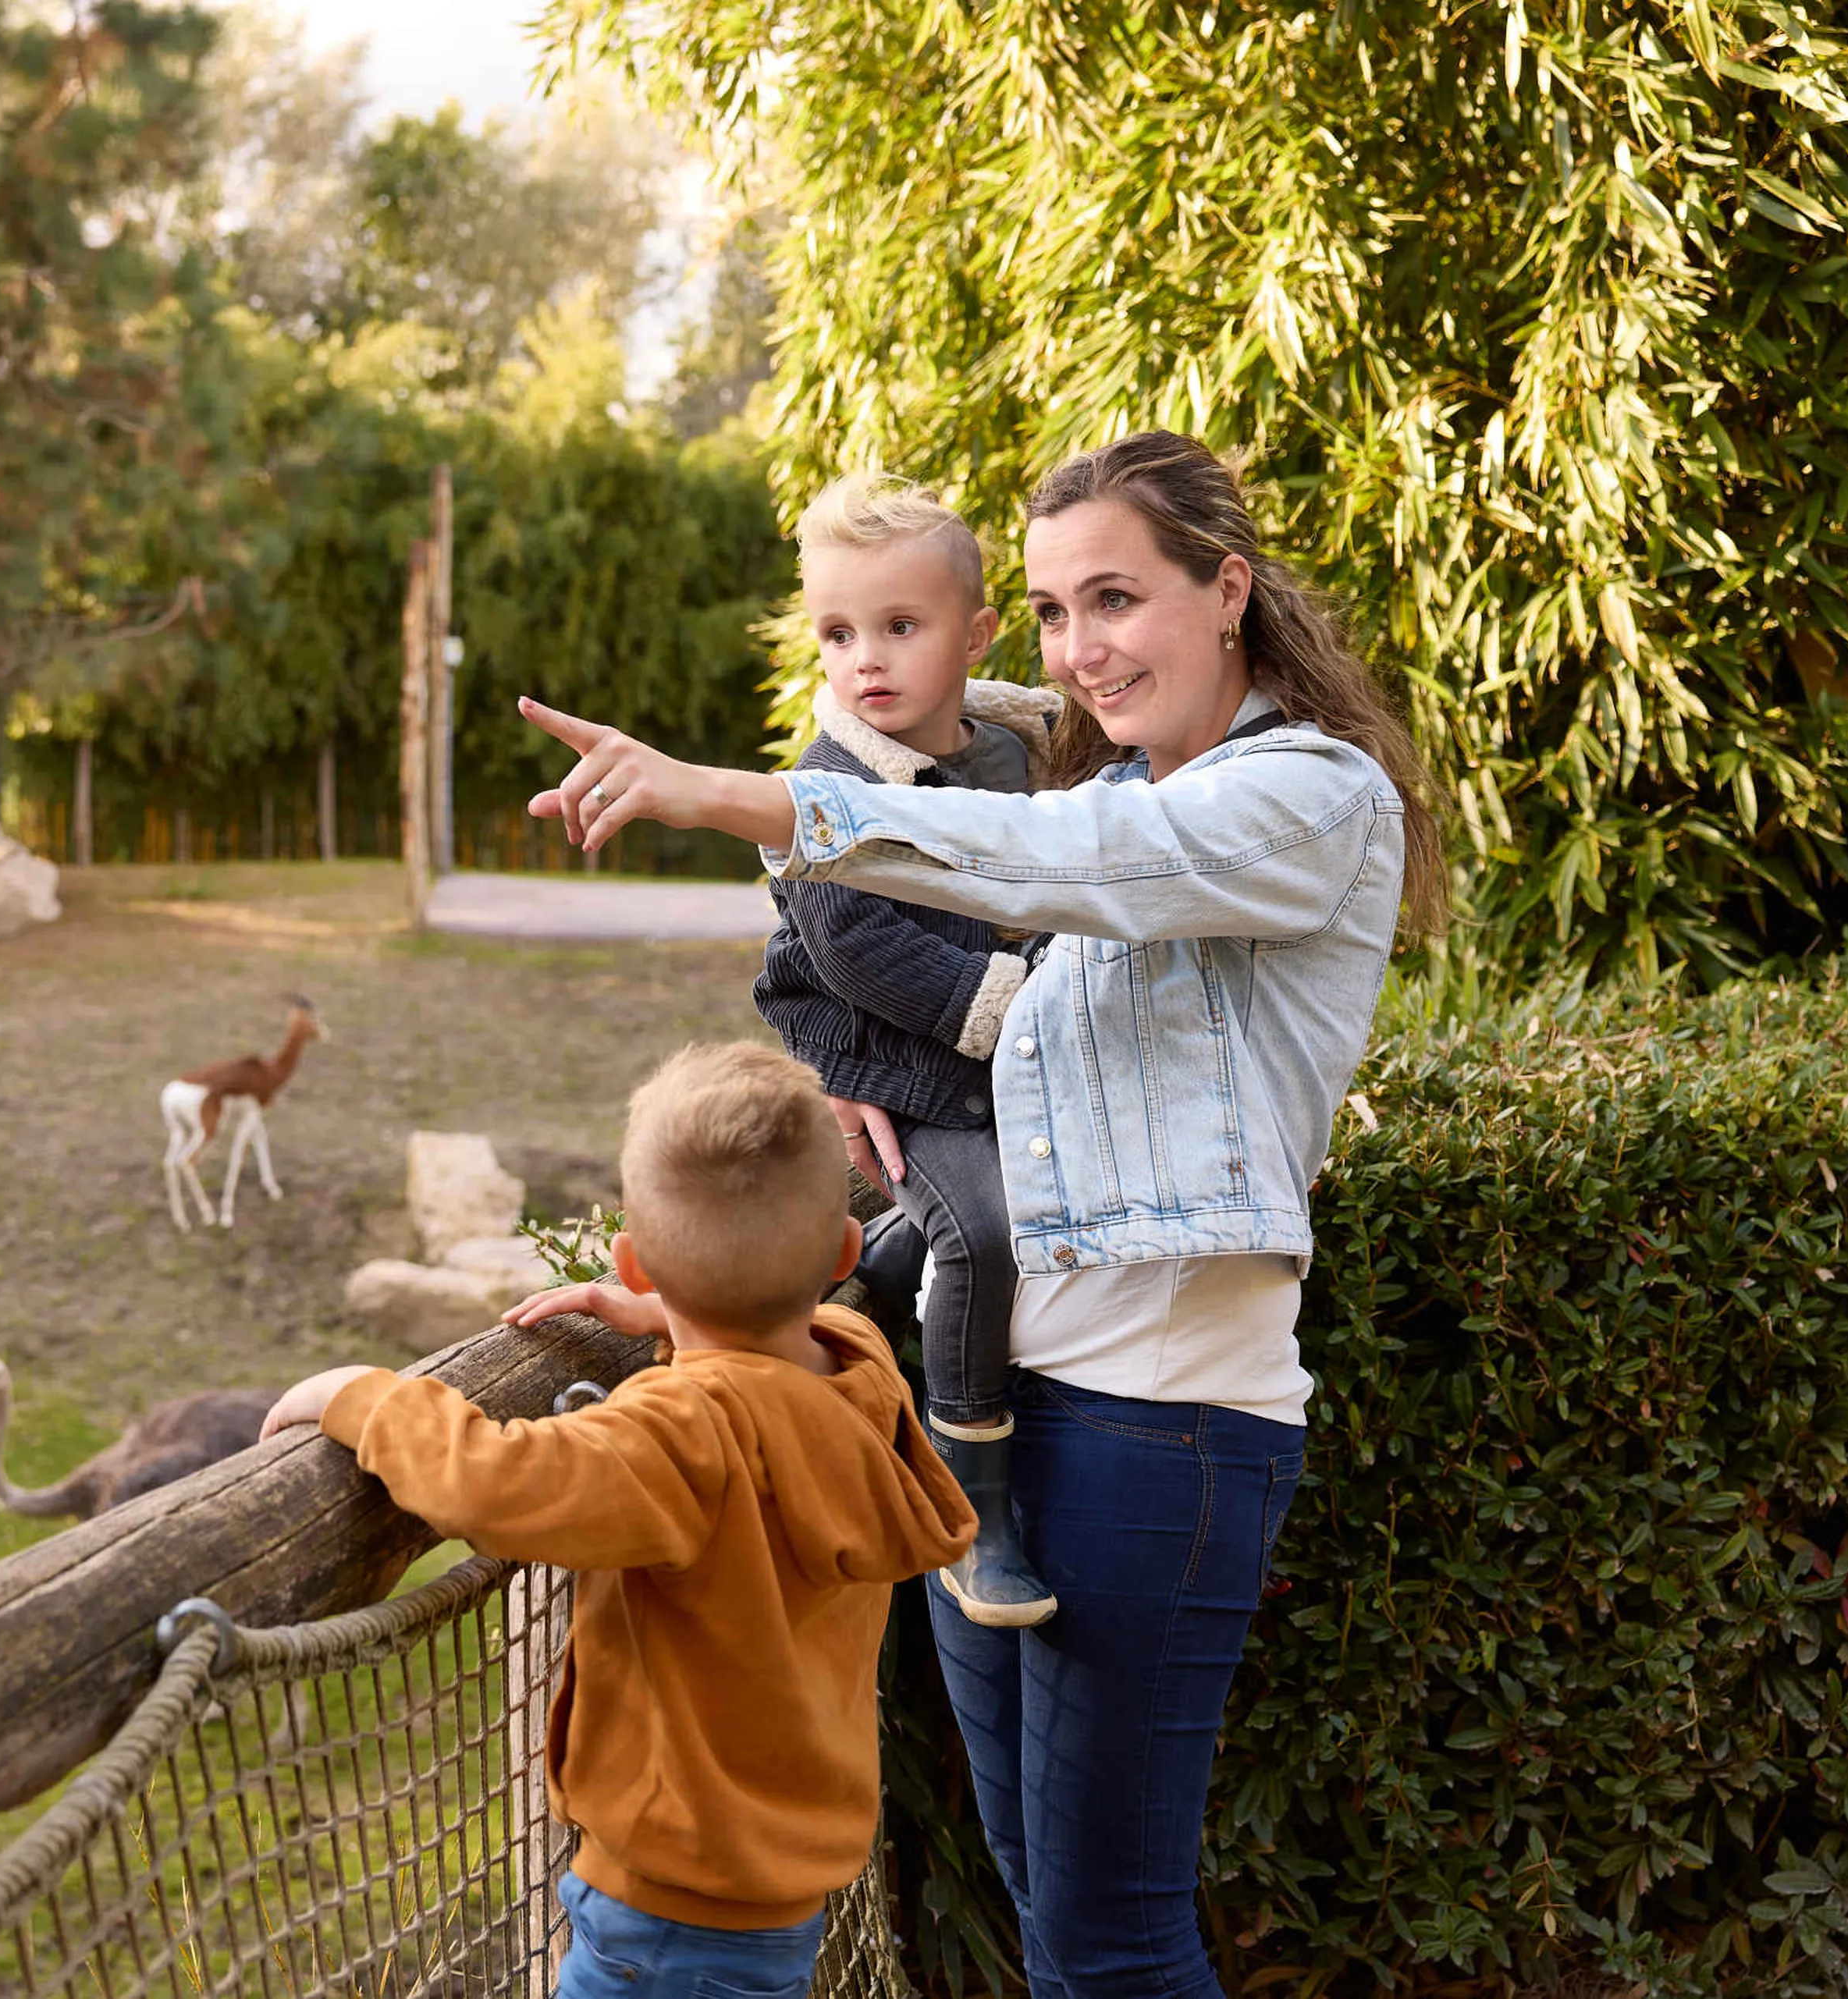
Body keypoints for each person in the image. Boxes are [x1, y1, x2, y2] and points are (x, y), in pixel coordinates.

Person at [510, 431, 1447, 1995]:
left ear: (1229, 589)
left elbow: (1051, 858)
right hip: (994, 1417)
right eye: (1057, 610)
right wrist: (726, 1284)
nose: (1084, 649)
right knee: (1042, 1910)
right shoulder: (1120, 778)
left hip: (1160, 1423)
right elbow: (999, 1073)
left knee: (1112, 1941)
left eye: (1117, 599)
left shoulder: (1300, 798)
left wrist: (746, 796)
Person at [260, 1042, 976, 1999]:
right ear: (846, 1254)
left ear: (632, 1262)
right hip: (775, 1898)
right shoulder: (858, 1379)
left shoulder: (686, 1433)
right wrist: (686, 1317)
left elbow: (494, 1485)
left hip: (667, 1920)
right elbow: (800, 1342)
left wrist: (364, 1395)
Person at [752, 469, 1063, 1627]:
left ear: (976, 635)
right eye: (838, 634)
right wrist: (1015, 1004)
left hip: (1009, 1042)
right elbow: (856, 945)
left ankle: (888, 1262)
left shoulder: (1022, 754)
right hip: (905, 1059)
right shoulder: (824, 789)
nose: (865, 660)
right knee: (984, 1228)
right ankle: (973, 1504)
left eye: (899, 627)